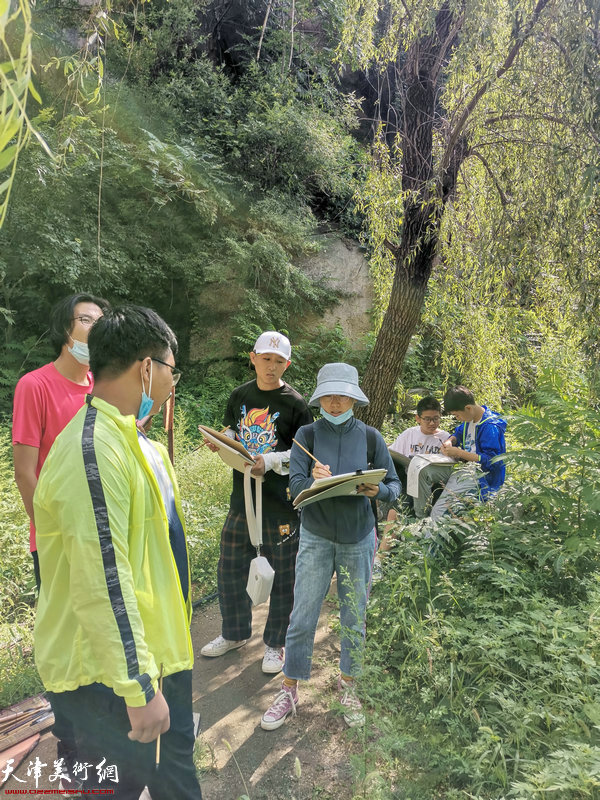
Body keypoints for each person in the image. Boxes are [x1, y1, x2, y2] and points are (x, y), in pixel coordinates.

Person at [33, 305, 202, 800]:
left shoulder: (138, 443)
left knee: (176, 779)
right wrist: (138, 687)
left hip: (160, 659)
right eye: (172, 369)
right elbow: (101, 577)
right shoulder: (94, 449)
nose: (174, 382)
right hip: (106, 682)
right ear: (147, 368)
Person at [261, 363, 400, 731]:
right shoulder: (306, 435)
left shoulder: (371, 437)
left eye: (343, 396)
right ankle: (289, 689)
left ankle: (348, 685)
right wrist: (312, 480)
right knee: (303, 614)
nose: (335, 403)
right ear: (319, 397)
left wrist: (377, 490)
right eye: (329, 395)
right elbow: (294, 489)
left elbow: (395, 488)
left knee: (355, 616)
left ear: (354, 398)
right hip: (316, 536)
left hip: (358, 537)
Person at [200, 331, 313, 674]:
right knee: (230, 565)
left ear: (287, 364)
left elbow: (305, 454)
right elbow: (235, 431)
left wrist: (271, 461)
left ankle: (276, 644)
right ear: (253, 357)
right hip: (243, 499)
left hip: (281, 503)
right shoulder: (240, 395)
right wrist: (224, 441)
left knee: (282, 575)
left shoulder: (296, 404)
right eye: (266, 359)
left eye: (279, 361)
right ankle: (234, 633)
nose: (271, 366)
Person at [12, 292, 108, 590]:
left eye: (101, 322)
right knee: (62, 630)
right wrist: (50, 531)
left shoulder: (102, 386)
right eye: (86, 320)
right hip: (57, 533)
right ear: (64, 330)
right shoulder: (34, 386)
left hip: (102, 529)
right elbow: (25, 472)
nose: (95, 327)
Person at [375, 397, 452, 569]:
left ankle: (422, 561)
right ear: (418, 418)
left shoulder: (446, 438)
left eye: (436, 418)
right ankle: (380, 560)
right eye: (427, 419)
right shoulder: (409, 434)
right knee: (396, 511)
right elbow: (392, 457)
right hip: (408, 483)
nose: (432, 423)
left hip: (434, 488)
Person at [430, 385, 507, 522]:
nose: (457, 418)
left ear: (468, 408)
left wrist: (460, 453)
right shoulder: (469, 419)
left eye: (457, 415)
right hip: (465, 472)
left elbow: (492, 461)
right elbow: (458, 433)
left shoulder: (490, 427)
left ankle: (429, 541)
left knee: (439, 512)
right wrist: (450, 441)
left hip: (482, 479)